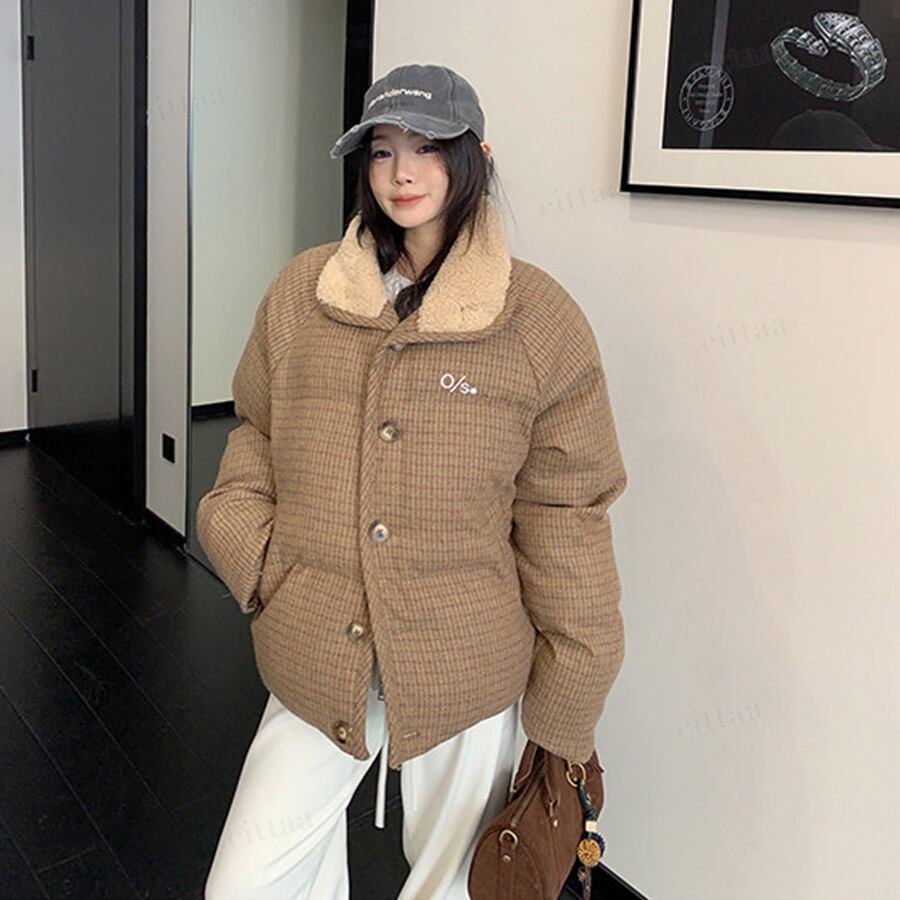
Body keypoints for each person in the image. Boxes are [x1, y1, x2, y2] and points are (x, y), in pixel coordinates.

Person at [198, 63, 628, 900]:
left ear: (477, 158)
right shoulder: (303, 295)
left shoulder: (537, 319)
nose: (402, 173)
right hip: (316, 644)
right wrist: (256, 558)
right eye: (382, 149)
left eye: (428, 147)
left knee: (458, 887)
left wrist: (568, 697)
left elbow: (566, 512)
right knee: (248, 882)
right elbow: (257, 429)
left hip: (468, 665)